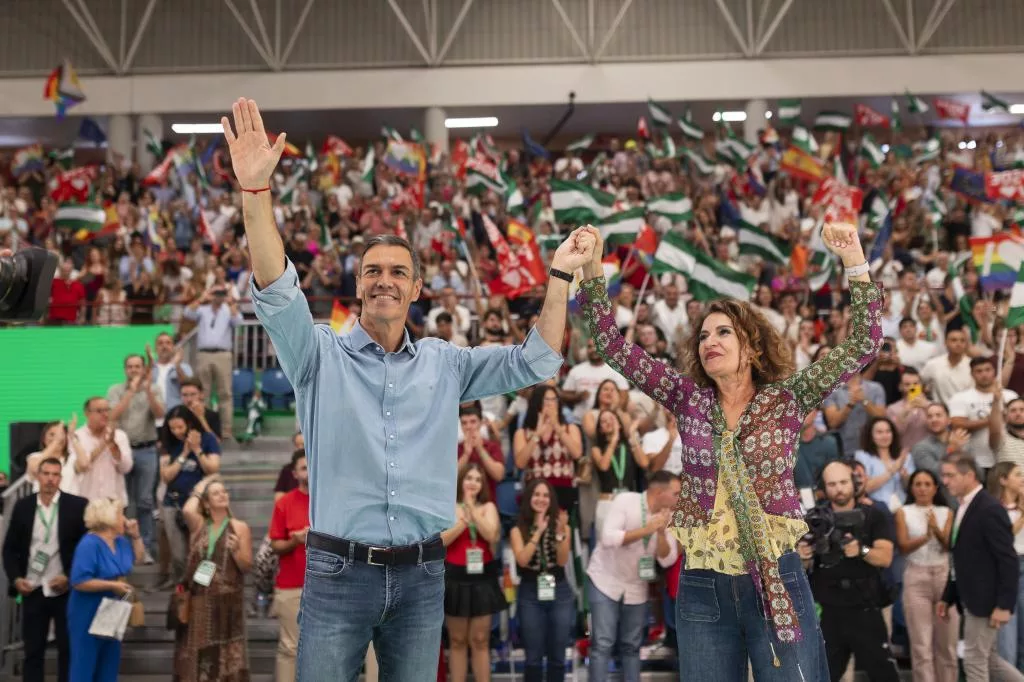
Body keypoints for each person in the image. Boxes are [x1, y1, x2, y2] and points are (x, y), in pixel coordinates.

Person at [221, 97, 591, 678]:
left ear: (417, 288)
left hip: (422, 575)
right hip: (338, 573)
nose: (384, 281)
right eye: (372, 271)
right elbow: (275, 286)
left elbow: (537, 360)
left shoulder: (446, 363)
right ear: (358, 286)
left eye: (398, 272)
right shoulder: (316, 354)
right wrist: (254, 192)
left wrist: (561, 276)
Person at [575, 222, 880, 680]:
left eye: (723, 333)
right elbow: (613, 347)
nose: (710, 342)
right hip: (703, 584)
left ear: (751, 347)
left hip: (778, 576)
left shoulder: (787, 399)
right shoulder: (686, 398)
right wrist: (593, 268)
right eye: (703, 336)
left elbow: (866, 342)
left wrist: (854, 261)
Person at [798, 460, 899, 681]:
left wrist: (861, 550)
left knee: (884, 675)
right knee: (822, 676)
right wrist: (803, 556)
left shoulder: (873, 514)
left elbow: (885, 558)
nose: (839, 489)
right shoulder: (814, 519)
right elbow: (804, 568)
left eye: (843, 482)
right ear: (824, 487)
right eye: (832, 484)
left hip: (865, 608)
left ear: (853, 482)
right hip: (828, 611)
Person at [587, 470, 680, 682]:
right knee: (603, 644)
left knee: (632, 646)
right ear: (659, 492)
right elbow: (608, 538)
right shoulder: (625, 501)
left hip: (636, 587)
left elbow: (668, 559)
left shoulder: (668, 517)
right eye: (675, 494)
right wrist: (647, 529)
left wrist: (660, 533)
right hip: (605, 581)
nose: (679, 498)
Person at [938, 454, 1024, 682]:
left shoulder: (988, 508)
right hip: (972, 597)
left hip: (985, 600)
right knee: (990, 661)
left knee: (974, 661)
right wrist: (948, 596)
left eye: (950, 475)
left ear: (969, 475)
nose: (945, 481)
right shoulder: (964, 506)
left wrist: (1004, 604)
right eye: (944, 475)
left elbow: (1008, 559)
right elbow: (961, 558)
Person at [1, 458, 88, 682]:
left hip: (65, 589)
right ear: (38, 476)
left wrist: (69, 576)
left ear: (60, 478)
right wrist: (16, 579)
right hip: (33, 588)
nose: (50, 479)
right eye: (46, 474)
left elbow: (85, 550)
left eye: (55, 474)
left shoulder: (77, 506)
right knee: (33, 651)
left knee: (68, 650)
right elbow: (9, 549)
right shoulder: (23, 506)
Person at [174, 475, 253, 681]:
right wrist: (203, 484)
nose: (222, 495)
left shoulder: (239, 527)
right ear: (207, 504)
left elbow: (246, 566)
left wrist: (236, 551)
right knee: (199, 658)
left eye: (224, 492)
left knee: (228, 659)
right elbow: (187, 510)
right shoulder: (200, 525)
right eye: (216, 493)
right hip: (200, 602)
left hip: (228, 603)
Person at [67, 497, 145, 682]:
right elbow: (79, 581)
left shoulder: (121, 542)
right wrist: (112, 585)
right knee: (84, 664)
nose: (125, 519)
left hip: (113, 607)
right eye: (121, 514)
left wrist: (135, 536)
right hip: (88, 609)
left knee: (109, 664)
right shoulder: (89, 544)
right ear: (108, 517)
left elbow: (139, 559)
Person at [440, 463, 504, 682]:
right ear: (461, 481)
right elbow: (442, 540)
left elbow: (491, 535)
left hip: (483, 579)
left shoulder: (488, 507)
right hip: (455, 578)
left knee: (480, 640)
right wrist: (463, 522)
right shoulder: (449, 507)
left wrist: (472, 510)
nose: (473, 483)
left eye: (478, 479)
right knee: (457, 641)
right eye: (469, 478)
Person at [895, 469, 957, 682]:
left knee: (947, 644)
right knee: (921, 645)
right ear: (911, 488)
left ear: (935, 488)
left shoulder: (946, 512)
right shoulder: (904, 512)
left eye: (927, 484)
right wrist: (926, 536)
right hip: (916, 575)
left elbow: (949, 545)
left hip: (944, 576)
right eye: (918, 484)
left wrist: (936, 531)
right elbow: (903, 547)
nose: (922, 488)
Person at [509, 479, 573, 682]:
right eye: (536, 494)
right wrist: (537, 531)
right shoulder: (517, 529)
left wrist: (561, 534)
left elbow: (562, 560)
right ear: (529, 498)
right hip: (530, 592)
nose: (541, 499)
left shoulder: (562, 526)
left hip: (559, 590)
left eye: (545, 495)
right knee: (533, 657)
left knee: (558, 655)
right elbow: (522, 560)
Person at [158, 405, 222, 588]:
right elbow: (166, 476)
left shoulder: (207, 439)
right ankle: (182, 587)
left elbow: (213, 469)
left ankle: (202, 586)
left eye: (180, 427)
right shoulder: (168, 443)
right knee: (178, 554)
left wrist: (196, 449)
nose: (176, 432)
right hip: (173, 502)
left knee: (203, 549)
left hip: (199, 503)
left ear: (190, 424)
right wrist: (184, 453)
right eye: (172, 428)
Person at [988, 462, 1024, 671]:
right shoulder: (993, 509)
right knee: (1007, 637)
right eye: (1017, 474)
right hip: (1006, 569)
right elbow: (1004, 538)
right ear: (1003, 480)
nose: (1022, 479)